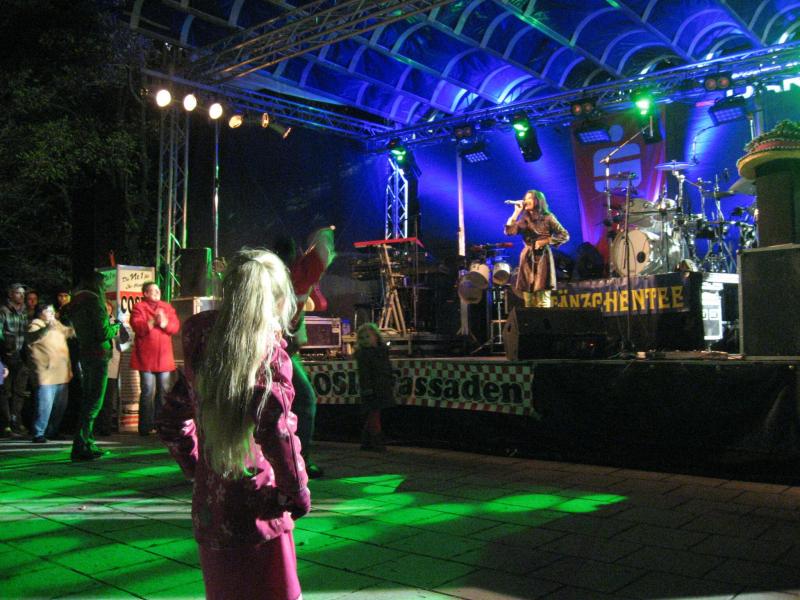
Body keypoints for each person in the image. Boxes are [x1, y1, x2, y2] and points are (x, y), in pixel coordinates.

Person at [157, 248, 310, 600]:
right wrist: (297, 491)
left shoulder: (201, 345)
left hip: (211, 512)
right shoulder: (268, 357)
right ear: (276, 299)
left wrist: (197, 468)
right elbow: (278, 432)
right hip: (261, 509)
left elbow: (170, 420)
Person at [273, 227, 335, 478]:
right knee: (305, 400)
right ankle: (299, 461)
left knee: (279, 404)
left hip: (275, 348)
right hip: (276, 350)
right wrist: (326, 233)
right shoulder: (299, 273)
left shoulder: (272, 277)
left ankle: (283, 459)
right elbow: (322, 250)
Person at [62, 271, 121, 461]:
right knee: (94, 401)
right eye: (103, 284)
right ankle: (82, 445)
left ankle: (87, 441)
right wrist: (116, 326)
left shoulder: (76, 302)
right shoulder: (94, 301)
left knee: (88, 399)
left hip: (85, 353)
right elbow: (103, 332)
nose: (105, 287)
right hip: (98, 354)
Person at [129, 282, 179, 436]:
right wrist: (152, 321)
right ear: (145, 293)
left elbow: (175, 327)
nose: (157, 292)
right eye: (153, 290)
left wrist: (163, 322)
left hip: (164, 358)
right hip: (146, 359)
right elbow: (137, 326)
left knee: (164, 393)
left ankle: (161, 426)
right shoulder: (139, 307)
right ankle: (145, 427)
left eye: (158, 290)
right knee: (147, 392)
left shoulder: (166, 307)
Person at [504, 189, 569, 308]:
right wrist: (516, 213)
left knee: (543, 299)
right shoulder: (525, 219)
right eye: (525, 198)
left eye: (529, 198)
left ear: (537, 201)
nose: (526, 200)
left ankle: (544, 319)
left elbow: (564, 235)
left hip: (543, 258)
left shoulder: (548, 217)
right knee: (528, 300)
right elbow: (509, 231)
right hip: (527, 258)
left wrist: (545, 241)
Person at [25, 304, 75, 443]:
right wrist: (47, 328)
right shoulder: (34, 325)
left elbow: (70, 333)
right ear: (40, 313)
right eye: (48, 311)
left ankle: (52, 431)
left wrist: (75, 323)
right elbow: (33, 337)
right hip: (46, 373)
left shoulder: (57, 324)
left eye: (53, 311)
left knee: (59, 406)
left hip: (62, 372)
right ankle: (38, 432)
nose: (52, 313)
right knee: (44, 406)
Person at [354, 323, 395, 452]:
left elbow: (387, 368)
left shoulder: (382, 352)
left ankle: (366, 442)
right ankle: (377, 443)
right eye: (362, 338)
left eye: (367, 336)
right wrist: (367, 389)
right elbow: (364, 375)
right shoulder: (364, 355)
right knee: (374, 415)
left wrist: (390, 380)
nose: (365, 340)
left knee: (374, 414)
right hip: (372, 389)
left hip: (381, 387)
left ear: (376, 336)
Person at [0, 283, 30, 436]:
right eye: (18, 293)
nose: (22, 296)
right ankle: (5, 424)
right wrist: (4, 352)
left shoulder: (24, 312)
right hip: (6, 356)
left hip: (20, 357)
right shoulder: (3, 311)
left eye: (23, 293)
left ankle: (16, 421)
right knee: (4, 391)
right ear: (10, 294)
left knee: (19, 392)